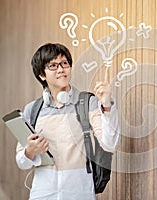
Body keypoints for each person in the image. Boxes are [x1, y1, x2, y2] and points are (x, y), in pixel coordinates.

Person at [15, 43, 119, 200]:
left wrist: (106, 105)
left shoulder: (87, 102)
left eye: (65, 63)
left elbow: (109, 143)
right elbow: (21, 162)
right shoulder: (32, 110)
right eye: (53, 65)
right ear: (42, 75)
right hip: (42, 194)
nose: (61, 69)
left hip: (79, 192)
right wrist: (30, 151)